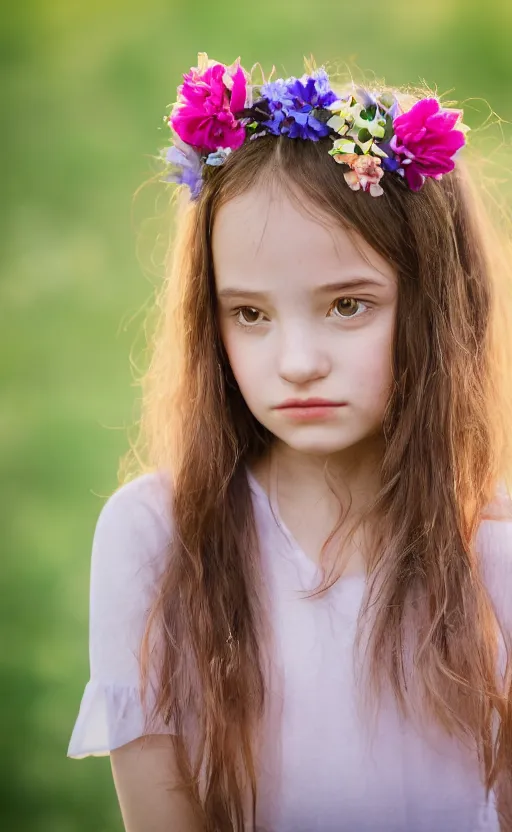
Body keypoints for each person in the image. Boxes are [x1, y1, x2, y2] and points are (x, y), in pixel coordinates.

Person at [67, 53, 512, 831]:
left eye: (347, 305)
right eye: (251, 315)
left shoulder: (497, 553)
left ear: (438, 305)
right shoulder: (157, 538)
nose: (297, 362)